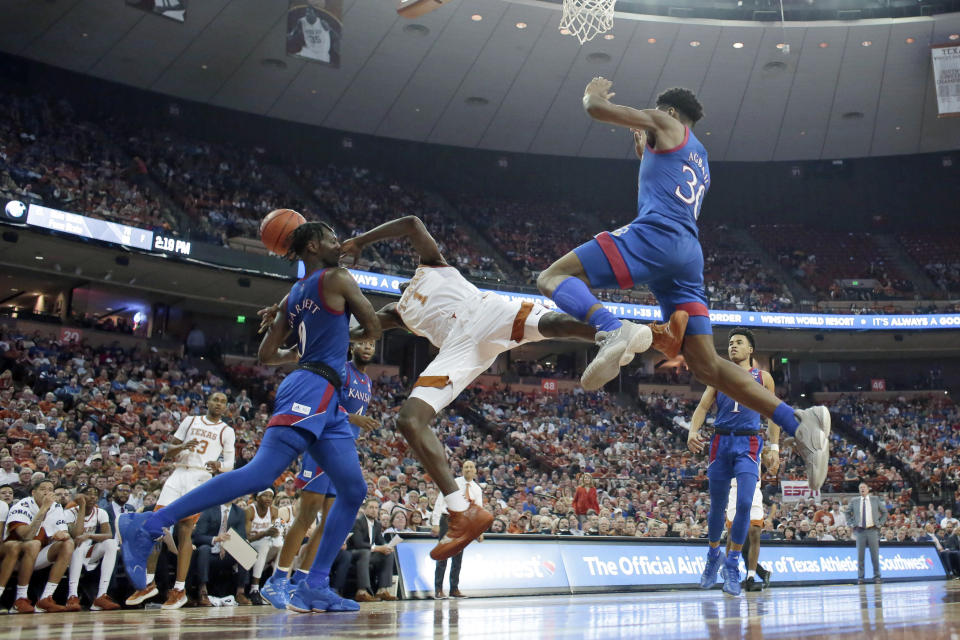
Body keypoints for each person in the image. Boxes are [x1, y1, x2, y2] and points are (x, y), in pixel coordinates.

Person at [535, 77, 831, 490]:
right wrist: (644, 151)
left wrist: (593, 94)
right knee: (706, 366)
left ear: (670, 113)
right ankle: (798, 421)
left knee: (551, 276)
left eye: (656, 115)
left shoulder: (664, 120)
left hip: (657, 236)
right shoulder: (701, 155)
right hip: (686, 255)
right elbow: (664, 177)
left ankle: (610, 328)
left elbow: (596, 111)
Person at [339, 215, 684, 561]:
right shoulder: (395, 312)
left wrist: (361, 240)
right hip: (461, 346)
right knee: (409, 420)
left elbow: (412, 224)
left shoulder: (430, 265)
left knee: (549, 325)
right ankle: (462, 512)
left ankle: (632, 332)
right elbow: (356, 331)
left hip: (483, 310)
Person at [119, 220, 381, 615]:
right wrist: (357, 318)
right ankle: (148, 525)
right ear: (312, 244)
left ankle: (314, 584)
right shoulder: (339, 278)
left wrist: (304, 341)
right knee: (261, 474)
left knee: (353, 489)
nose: (337, 243)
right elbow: (373, 327)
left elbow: (265, 355)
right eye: (330, 238)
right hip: (311, 388)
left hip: (327, 396)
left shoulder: (292, 296)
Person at [264, 340, 379, 608]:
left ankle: (303, 583)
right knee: (307, 514)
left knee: (329, 523)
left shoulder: (367, 381)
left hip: (343, 451)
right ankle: (277, 580)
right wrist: (353, 418)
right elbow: (324, 401)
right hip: (323, 444)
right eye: (362, 342)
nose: (367, 347)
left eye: (372, 343)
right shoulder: (342, 370)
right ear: (351, 345)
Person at [688, 327, 780, 596]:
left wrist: (774, 446)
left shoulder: (763, 378)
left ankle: (731, 563)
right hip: (720, 441)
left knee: (743, 503)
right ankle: (713, 554)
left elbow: (773, 413)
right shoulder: (719, 375)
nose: (733, 346)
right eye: (730, 343)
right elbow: (703, 407)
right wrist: (693, 431)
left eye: (739, 342)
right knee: (717, 506)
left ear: (751, 349)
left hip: (749, 443)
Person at [126, 392, 235, 609]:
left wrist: (219, 466)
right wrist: (183, 447)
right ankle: (148, 583)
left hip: (200, 478)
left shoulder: (227, 431)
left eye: (223, 401)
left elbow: (230, 464)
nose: (218, 404)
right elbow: (168, 452)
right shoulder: (190, 421)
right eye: (215, 399)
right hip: (177, 475)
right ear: (208, 402)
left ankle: (179, 589)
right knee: (156, 528)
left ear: (226, 407)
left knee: (185, 530)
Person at [4, 479, 74, 613]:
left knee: (68, 544)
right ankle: (20, 598)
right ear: (33, 492)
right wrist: (43, 509)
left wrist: (63, 534)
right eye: (43, 489)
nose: (47, 492)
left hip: (38, 555)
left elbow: (64, 531)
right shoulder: (21, 505)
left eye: (50, 489)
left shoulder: (56, 506)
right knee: (34, 543)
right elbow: (26, 536)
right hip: (15, 556)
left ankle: (46, 598)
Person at [431, 460, 483, 599]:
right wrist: (435, 522)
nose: (468, 469)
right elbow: (439, 501)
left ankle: (454, 588)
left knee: (458, 556)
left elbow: (478, 510)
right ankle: (438, 589)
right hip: (448, 519)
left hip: (463, 524)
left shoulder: (477, 489)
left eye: (471, 467)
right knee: (443, 554)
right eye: (466, 467)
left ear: (475, 471)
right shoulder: (453, 483)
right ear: (462, 470)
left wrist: (479, 531)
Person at [65, 485, 120, 611]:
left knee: (111, 544)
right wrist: (82, 506)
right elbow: (77, 534)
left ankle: (101, 596)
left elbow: (108, 535)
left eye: (95, 493)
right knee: (79, 545)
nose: (93, 496)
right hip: (69, 554)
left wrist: (89, 535)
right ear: (80, 496)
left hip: (88, 552)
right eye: (88, 493)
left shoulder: (101, 512)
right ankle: (72, 595)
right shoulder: (68, 513)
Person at [192, 498, 250, 605]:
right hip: (210, 551)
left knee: (245, 550)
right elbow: (198, 536)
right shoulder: (209, 509)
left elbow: (242, 535)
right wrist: (216, 538)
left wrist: (233, 542)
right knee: (204, 550)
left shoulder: (239, 512)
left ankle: (240, 592)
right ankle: (202, 591)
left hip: (228, 551)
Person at [346, 499, 397, 602]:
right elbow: (358, 543)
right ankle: (361, 592)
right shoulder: (357, 522)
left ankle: (382, 590)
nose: (374, 510)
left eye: (376, 508)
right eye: (371, 507)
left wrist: (387, 546)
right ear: (365, 509)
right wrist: (377, 548)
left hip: (368, 554)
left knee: (388, 554)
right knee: (365, 552)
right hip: (354, 553)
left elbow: (380, 540)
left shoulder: (377, 524)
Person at [845, 482, 888, 583]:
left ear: (868, 489)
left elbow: (885, 512)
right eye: (860, 488)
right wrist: (851, 523)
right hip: (860, 531)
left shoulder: (875, 499)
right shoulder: (854, 500)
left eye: (864, 487)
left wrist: (880, 523)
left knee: (875, 555)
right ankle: (861, 577)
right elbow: (847, 512)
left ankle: (877, 576)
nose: (862, 489)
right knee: (860, 556)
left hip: (872, 530)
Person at [246, 489, 282, 604]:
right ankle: (254, 588)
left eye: (270, 496)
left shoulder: (274, 511)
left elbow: (277, 531)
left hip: (265, 547)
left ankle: (276, 585)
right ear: (257, 498)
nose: (268, 498)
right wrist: (265, 533)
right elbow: (246, 538)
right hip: (249, 546)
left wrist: (277, 532)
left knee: (281, 545)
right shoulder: (249, 511)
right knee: (264, 544)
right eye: (265, 495)